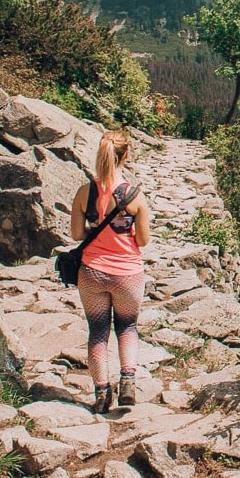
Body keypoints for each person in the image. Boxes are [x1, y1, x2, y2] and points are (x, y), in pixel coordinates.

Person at [69, 129, 152, 413]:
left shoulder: (85, 192)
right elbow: (143, 240)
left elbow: (77, 234)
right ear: (126, 155)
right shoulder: (134, 195)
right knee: (127, 327)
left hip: (92, 271)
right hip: (127, 273)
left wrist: (97, 232)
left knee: (98, 332)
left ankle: (102, 394)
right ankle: (127, 380)